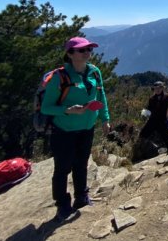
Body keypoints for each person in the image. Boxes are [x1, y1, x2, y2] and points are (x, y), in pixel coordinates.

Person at [41, 37, 110, 222]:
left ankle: (81, 196)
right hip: (64, 130)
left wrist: (105, 118)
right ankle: (62, 203)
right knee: (62, 168)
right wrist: (67, 110)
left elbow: (101, 94)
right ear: (70, 54)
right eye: (82, 50)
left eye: (89, 48)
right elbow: (46, 107)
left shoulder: (94, 72)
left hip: (87, 128)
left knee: (81, 163)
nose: (87, 52)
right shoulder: (60, 77)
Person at [139, 81, 168, 153]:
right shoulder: (151, 99)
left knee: (166, 136)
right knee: (143, 134)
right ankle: (142, 151)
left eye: (159, 88)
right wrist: (144, 113)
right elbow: (149, 109)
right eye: (155, 88)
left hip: (162, 120)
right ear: (153, 89)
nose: (157, 90)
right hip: (152, 120)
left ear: (162, 88)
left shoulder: (167, 97)